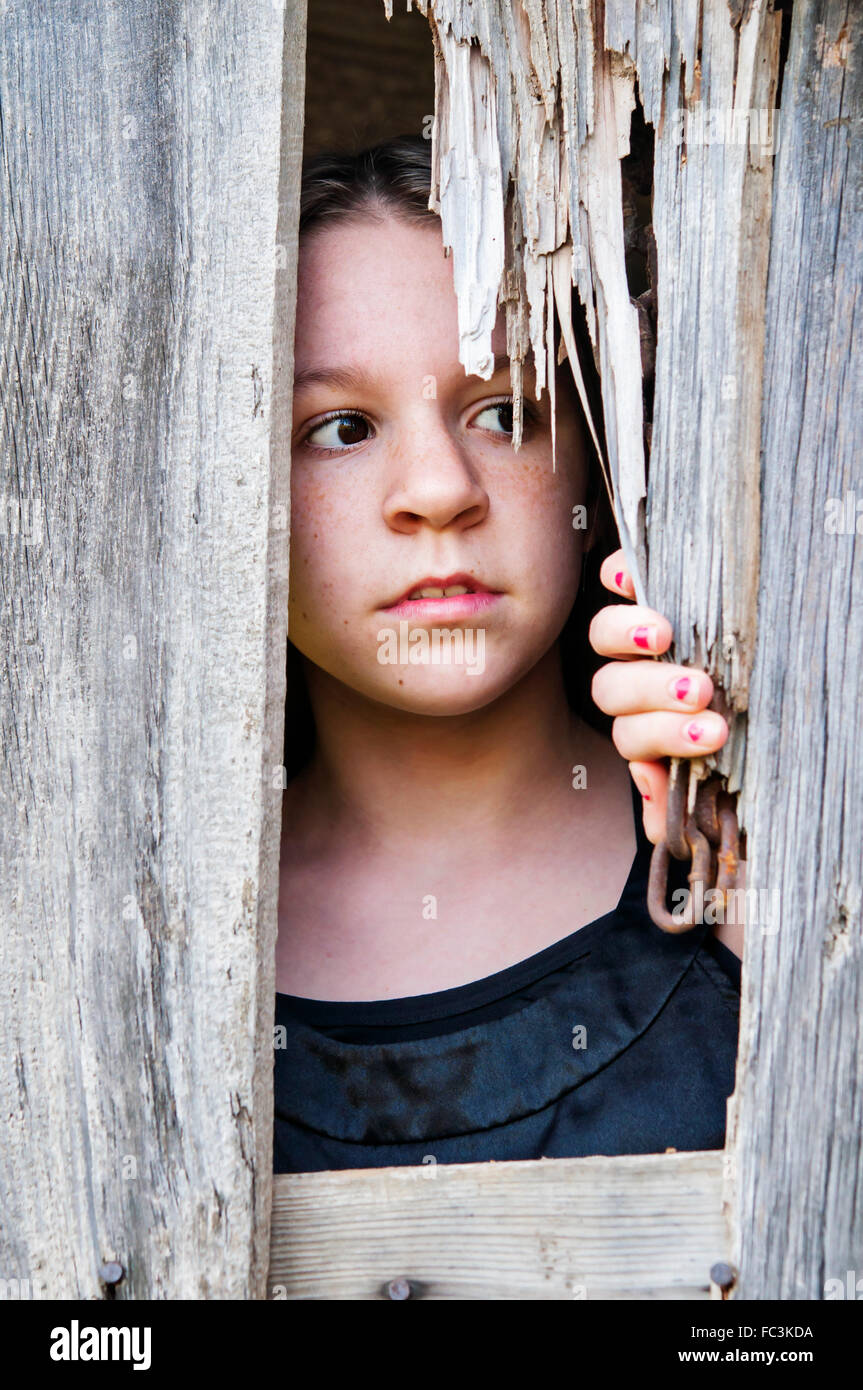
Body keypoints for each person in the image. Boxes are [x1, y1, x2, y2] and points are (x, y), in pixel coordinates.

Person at [273, 136, 741, 1174]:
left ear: (593, 466)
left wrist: (787, 909)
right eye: (340, 428)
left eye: (503, 412)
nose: (438, 489)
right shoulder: (132, 930)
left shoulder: (742, 866)